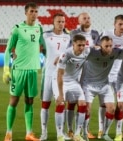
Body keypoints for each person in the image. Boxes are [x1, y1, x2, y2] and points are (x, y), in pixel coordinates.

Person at [2, 2, 44, 141]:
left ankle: (29, 133)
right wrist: (6, 70)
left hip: (32, 70)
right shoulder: (18, 29)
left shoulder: (39, 28)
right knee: (14, 101)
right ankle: (8, 132)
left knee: (30, 101)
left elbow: (44, 47)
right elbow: (8, 50)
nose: (34, 14)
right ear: (26, 13)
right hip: (18, 70)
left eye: (36, 11)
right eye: (31, 11)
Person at [81, 36, 123, 141]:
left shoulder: (115, 52)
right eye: (106, 46)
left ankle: (105, 133)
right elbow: (78, 52)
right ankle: (84, 133)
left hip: (104, 85)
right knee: (87, 110)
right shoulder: (92, 52)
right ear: (101, 46)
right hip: (89, 85)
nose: (109, 48)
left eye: (110, 46)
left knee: (112, 108)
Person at [97, 14, 123, 139]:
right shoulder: (106, 34)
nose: (122, 27)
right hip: (106, 75)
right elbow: (97, 47)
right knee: (104, 104)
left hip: (121, 77)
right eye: (120, 24)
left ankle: (119, 131)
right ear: (114, 24)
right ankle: (101, 130)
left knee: (121, 104)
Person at [39, 13, 71, 141]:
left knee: (61, 102)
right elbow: (39, 47)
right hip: (48, 73)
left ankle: (60, 133)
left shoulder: (68, 37)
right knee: (45, 104)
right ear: (53, 22)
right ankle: (44, 132)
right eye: (58, 21)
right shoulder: (45, 35)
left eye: (63, 21)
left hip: (61, 74)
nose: (61, 24)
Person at [68, 12, 99, 139]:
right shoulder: (74, 33)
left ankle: (84, 130)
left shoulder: (96, 34)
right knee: (71, 102)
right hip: (75, 71)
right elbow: (70, 48)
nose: (87, 20)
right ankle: (70, 129)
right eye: (84, 18)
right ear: (79, 21)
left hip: (89, 72)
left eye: (88, 17)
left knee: (85, 103)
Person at [57, 34, 90, 141]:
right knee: (61, 103)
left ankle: (77, 134)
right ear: (73, 44)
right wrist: (61, 94)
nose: (81, 48)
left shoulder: (86, 51)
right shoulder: (66, 54)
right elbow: (59, 75)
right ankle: (61, 133)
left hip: (74, 82)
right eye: (79, 45)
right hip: (63, 81)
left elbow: (98, 48)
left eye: (83, 45)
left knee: (82, 104)